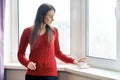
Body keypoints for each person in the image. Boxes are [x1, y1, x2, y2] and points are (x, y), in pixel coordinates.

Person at [17, 3, 86, 80]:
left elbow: (57, 52)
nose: (53, 19)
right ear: (42, 15)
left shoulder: (54, 31)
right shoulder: (27, 31)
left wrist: (73, 60)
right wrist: (27, 63)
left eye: (53, 17)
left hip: (50, 74)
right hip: (32, 74)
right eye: (50, 17)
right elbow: (20, 54)